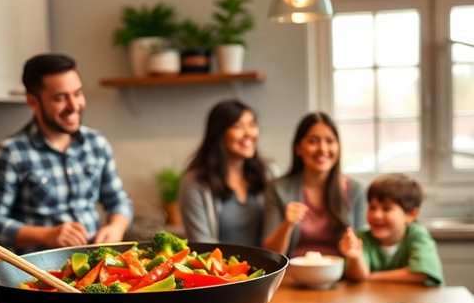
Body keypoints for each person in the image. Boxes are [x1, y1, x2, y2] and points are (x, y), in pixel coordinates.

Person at [0, 53, 133, 252]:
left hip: (94, 271)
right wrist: (47, 235)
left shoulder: (96, 143)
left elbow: (118, 200)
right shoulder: (10, 152)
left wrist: (116, 227)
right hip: (38, 275)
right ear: (33, 102)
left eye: (77, 94)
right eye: (60, 98)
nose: (74, 106)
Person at [262, 111, 365, 257]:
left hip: (341, 275)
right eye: (313, 141)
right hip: (292, 276)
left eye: (330, 141)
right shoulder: (277, 189)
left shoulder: (355, 190)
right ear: (298, 148)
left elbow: (362, 252)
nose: (323, 149)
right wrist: (287, 225)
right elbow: (270, 255)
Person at [178, 99, 273, 246]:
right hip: (221, 268)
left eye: (252, 125)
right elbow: (202, 244)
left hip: (269, 268)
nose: (249, 133)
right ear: (218, 133)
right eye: (238, 126)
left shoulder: (269, 173)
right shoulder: (194, 183)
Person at [339, 174, 445, 285]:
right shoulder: (361, 238)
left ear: (411, 215)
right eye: (372, 207)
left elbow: (419, 274)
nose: (376, 215)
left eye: (386, 208)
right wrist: (356, 257)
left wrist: (371, 276)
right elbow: (357, 276)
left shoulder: (418, 235)